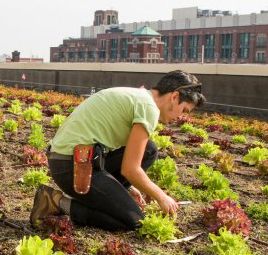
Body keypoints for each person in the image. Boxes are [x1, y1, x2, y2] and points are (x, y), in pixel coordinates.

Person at [30, 70, 206, 231]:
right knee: (134, 221)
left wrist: (127, 189)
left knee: (149, 149)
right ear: (174, 97)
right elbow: (130, 169)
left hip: (77, 160)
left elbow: (129, 161)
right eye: (184, 110)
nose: (180, 117)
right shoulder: (148, 108)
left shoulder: (140, 97)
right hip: (72, 166)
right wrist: (161, 196)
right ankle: (57, 202)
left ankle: (110, 200)